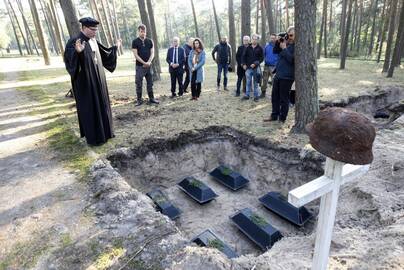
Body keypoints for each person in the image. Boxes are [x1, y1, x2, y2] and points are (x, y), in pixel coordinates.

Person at [64, 17, 120, 146]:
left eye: (96, 29)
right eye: (93, 29)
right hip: (86, 84)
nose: (95, 32)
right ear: (84, 28)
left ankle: (106, 133)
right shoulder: (74, 41)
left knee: (102, 104)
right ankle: (95, 138)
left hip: (98, 80)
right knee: (91, 108)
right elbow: (69, 63)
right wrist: (78, 53)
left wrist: (115, 48)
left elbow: (105, 54)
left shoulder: (93, 40)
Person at [265, 26, 295, 123]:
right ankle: (274, 116)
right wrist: (279, 42)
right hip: (278, 74)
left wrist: (285, 49)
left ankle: (282, 118)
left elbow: (292, 60)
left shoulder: (297, 46)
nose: (289, 37)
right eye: (288, 34)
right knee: (274, 97)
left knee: (284, 98)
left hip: (287, 76)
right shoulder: (286, 43)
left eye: (291, 35)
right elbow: (275, 51)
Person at [132, 24, 159, 106]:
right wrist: (144, 63)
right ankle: (139, 100)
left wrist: (149, 62)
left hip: (149, 66)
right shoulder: (135, 41)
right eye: (141, 32)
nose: (143, 33)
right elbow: (136, 55)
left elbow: (152, 53)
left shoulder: (149, 41)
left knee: (150, 83)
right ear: (138, 32)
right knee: (139, 83)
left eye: (144, 32)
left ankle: (151, 98)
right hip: (140, 66)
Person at [241, 33, 264, 102]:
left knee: (255, 83)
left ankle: (256, 96)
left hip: (256, 68)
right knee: (248, 82)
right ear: (251, 39)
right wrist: (243, 64)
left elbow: (261, 58)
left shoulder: (260, 48)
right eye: (253, 39)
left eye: (255, 39)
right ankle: (247, 95)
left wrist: (255, 63)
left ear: (258, 40)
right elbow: (243, 57)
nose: (254, 40)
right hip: (248, 68)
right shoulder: (248, 47)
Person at [261, 34, 278, 98]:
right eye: (271, 38)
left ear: (276, 39)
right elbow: (264, 55)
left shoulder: (278, 46)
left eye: (274, 38)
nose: (272, 39)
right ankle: (263, 93)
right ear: (269, 38)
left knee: (274, 81)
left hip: (274, 67)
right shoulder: (266, 46)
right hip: (266, 66)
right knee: (264, 80)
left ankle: (274, 95)